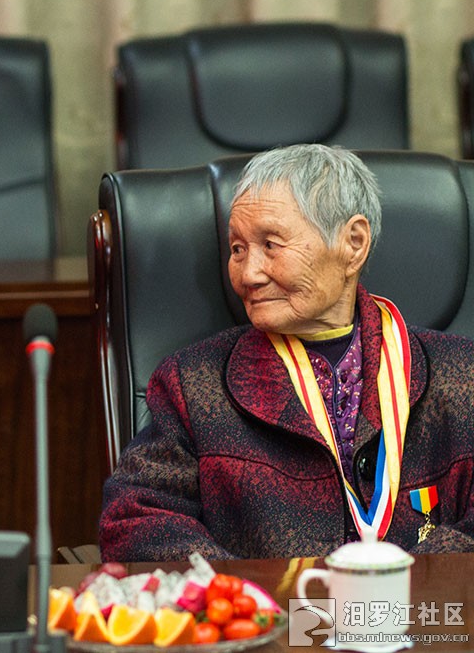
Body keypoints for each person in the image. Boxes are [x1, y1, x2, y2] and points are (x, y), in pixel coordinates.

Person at [99, 144, 474, 561]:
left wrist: (409, 581)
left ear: (353, 243)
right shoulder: (192, 384)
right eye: (237, 248)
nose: (248, 274)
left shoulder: (462, 374)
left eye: (271, 245)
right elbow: (134, 519)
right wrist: (246, 591)